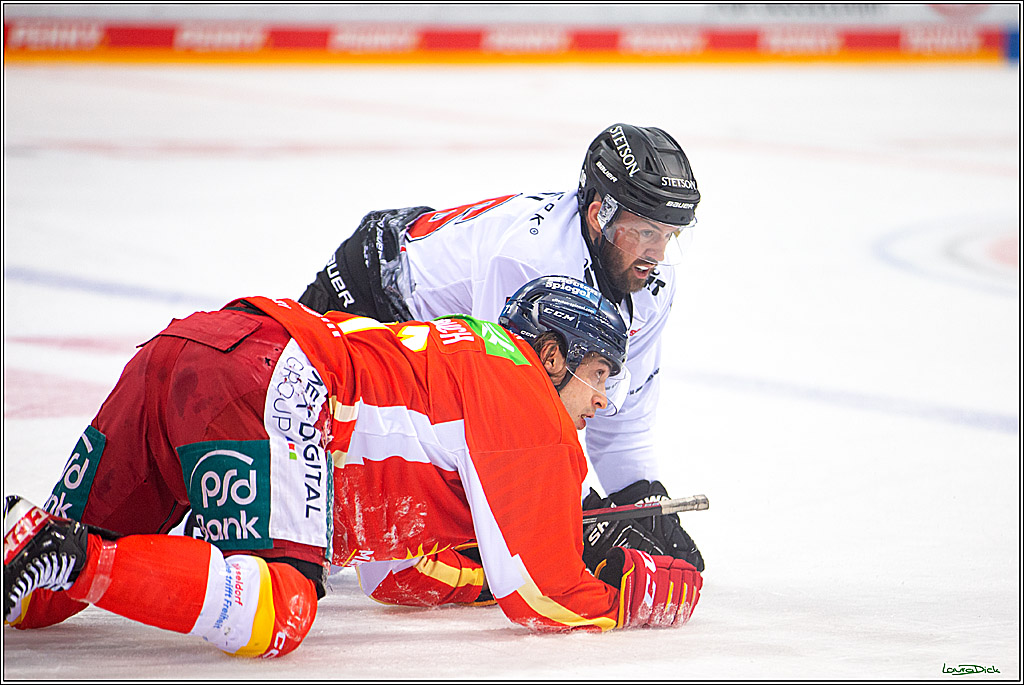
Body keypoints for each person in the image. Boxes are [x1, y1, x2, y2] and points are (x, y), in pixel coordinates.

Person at [4, 276, 702, 659]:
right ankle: (72, 552)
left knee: (37, 598)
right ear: (550, 355)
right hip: (277, 377)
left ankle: (41, 538)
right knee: (281, 607)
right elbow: (545, 597)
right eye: (598, 371)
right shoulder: (528, 401)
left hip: (190, 347)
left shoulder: (472, 363)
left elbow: (394, 575)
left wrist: (503, 547)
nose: (605, 397)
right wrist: (634, 590)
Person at [298, 123, 705, 572]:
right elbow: (503, 422)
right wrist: (587, 520)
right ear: (598, 215)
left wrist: (643, 500)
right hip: (368, 297)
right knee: (309, 518)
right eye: (646, 232)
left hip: (432, 335)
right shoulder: (531, 261)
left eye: (670, 234)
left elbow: (621, 422)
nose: (660, 254)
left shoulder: (650, 284)